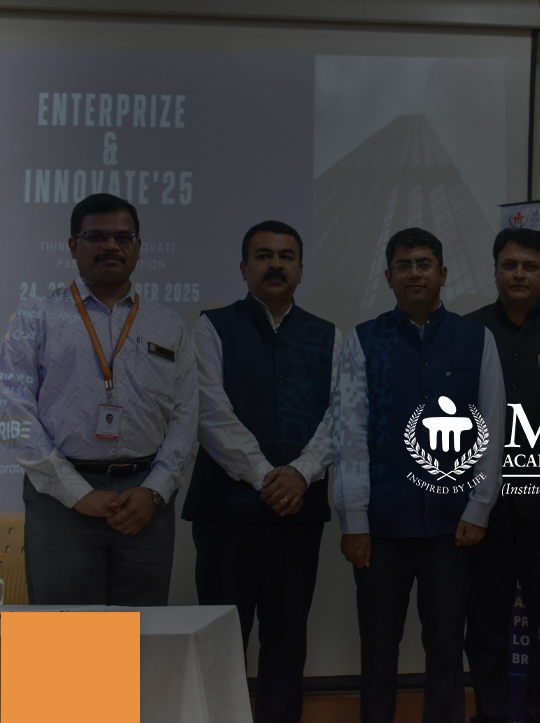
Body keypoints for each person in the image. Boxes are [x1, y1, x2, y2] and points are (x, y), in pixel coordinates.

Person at [333, 227, 504, 723]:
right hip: (381, 525)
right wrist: (353, 520)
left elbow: (492, 425)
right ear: (388, 277)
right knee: (377, 644)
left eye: (424, 263)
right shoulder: (363, 340)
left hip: (453, 524)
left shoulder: (477, 339)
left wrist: (480, 506)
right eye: (403, 265)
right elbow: (349, 433)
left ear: (443, 274)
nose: (414, 273)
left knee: (447, 644)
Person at [0, 193, 197, 605]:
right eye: (96, 236)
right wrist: (77, 492)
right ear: (73, 246)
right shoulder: (35, 317)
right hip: (61, 499)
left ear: (138, 247)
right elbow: (13, 413)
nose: (111, 246)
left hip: (144, 501)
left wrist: (154, 489)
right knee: (70, 634)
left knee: (141, 631)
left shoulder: (167, 323)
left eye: (123, 237)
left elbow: (185, 416)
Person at [182, 220, 341, 723]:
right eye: (264, 255)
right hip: (227, 515)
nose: (276, 265)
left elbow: (340, 414)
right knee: (221, 643)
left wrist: (301, 473)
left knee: (287, 643)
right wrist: (265, 477)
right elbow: (210, 412)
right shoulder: (211, 326)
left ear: (300, 269)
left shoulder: (329, 335)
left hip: (298, 513)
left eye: (286, 256)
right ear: (244, 267)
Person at [463, 228, 540, 723]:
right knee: (485, 625)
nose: (519, 274)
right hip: (482, 505)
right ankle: (490, 715)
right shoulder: (469, 330)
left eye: (530, 267)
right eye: (510, 265)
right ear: (495, 269)